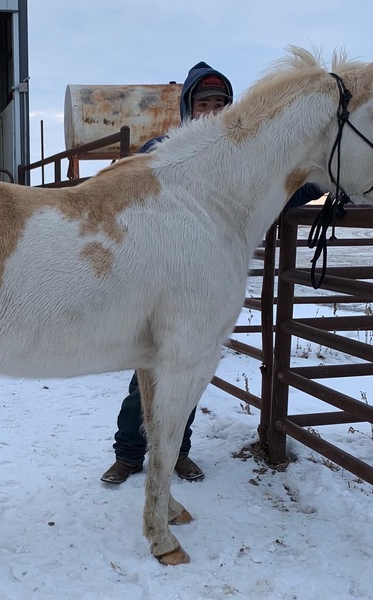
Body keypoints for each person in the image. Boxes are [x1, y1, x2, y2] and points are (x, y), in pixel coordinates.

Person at [101, 62, 325, 484]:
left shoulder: (240, 161)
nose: (212, 110)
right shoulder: (161, 148)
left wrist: (325, 183)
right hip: (157, 281)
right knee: (145, 376)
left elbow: (275, 192)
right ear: (189, 107)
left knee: (188, 374)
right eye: (203, 103)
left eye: (220, 103)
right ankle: (128, 454)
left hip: (202, 288)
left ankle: (177, 452)